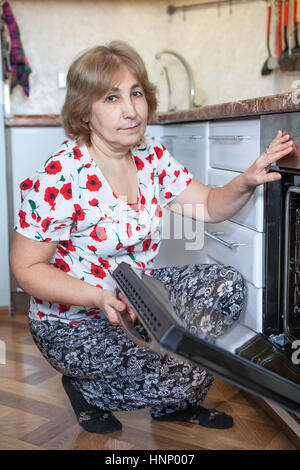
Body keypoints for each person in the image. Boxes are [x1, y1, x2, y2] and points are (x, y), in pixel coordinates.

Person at [10, 41, 294, 435]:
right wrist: (98, 296)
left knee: (226, 285)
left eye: (136, 93)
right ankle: (86, 390)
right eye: (112, 97)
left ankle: (170, 405)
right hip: (73, 323)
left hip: (137, 301)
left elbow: (210, 207)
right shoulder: (60, 176)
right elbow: (25, 268)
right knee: (183, 369)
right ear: (84, 112)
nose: (131, 110)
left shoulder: (150, 155)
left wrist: (247, 178)